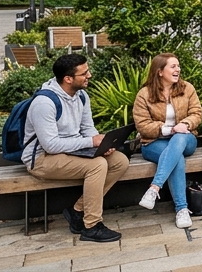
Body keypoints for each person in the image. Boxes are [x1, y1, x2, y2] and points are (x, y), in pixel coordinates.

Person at [23, 53, 128, 242]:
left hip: (71, 150)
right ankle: (92, 226)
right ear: (68, 79)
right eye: (84, 73)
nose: (90, 75)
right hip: (41, 159)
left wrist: (101, 145)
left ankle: (77, 211)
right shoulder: (44, 103)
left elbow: (88, 129)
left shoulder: (81, 96)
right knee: (97, 165)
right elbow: (51, 145)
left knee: (119, 161)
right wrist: (91, 143)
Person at [134, 53, 202, 229]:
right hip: (154, 142)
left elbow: (197, 113)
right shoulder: (144, 94)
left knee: (180, 138)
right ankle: (182, 210)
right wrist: (169, 129)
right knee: (176, 158)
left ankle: (154, 188)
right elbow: (142, 125)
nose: (178, 69)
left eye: (178, 66)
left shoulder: (187, 88)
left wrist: (185, 124)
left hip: (186, 140)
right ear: (159, 71)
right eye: (173, 66)